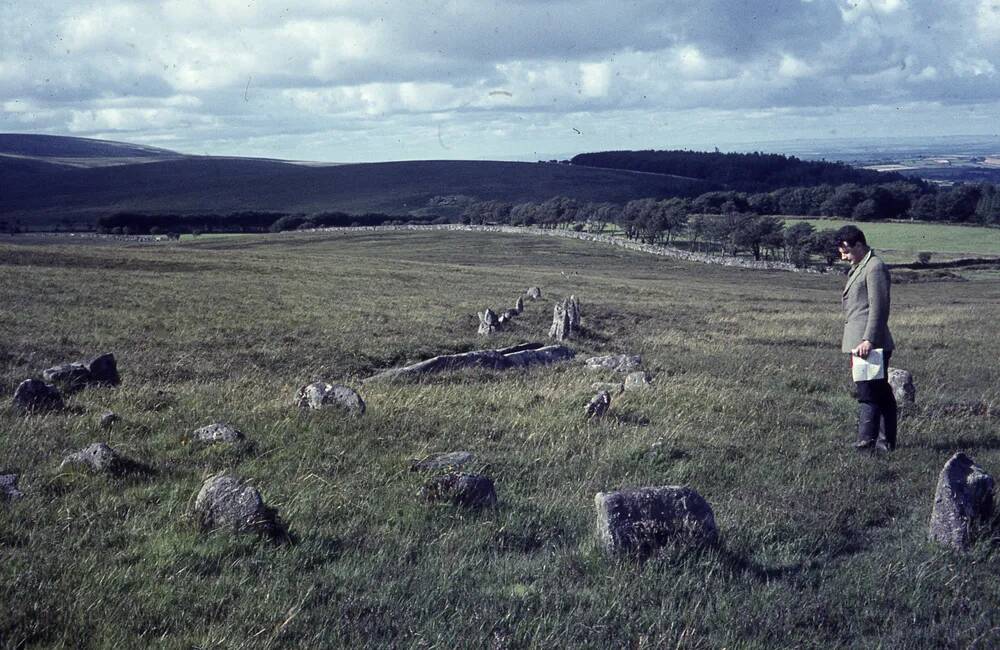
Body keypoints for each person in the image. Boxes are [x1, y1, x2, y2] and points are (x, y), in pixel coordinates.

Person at [837, 225, 897, 452]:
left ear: (859, 245)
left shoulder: (875, 268)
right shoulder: (861, 266)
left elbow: (879, 308)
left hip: (869, 343)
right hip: (860, 343)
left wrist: (869, 340)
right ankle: (884, 443)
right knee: (879, 393)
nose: (842, 255)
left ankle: (866, 443)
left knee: (869, 393)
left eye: (846, 250)